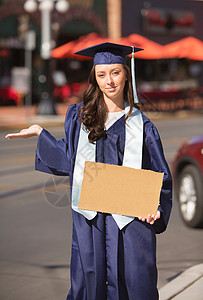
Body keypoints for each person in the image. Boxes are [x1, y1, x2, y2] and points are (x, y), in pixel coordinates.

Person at [5, 43, 172, 300]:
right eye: (102, 74)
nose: (109, 81)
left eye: (115, 72)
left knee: (134, 284)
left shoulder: (142, 126)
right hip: (90, 221)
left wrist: (157, 206)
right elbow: (69, 159)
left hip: (129, 224)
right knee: (88, 284)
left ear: (127, 74)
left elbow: (160, 175)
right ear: (94, 77)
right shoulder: (80, 118)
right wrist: (41, 134)